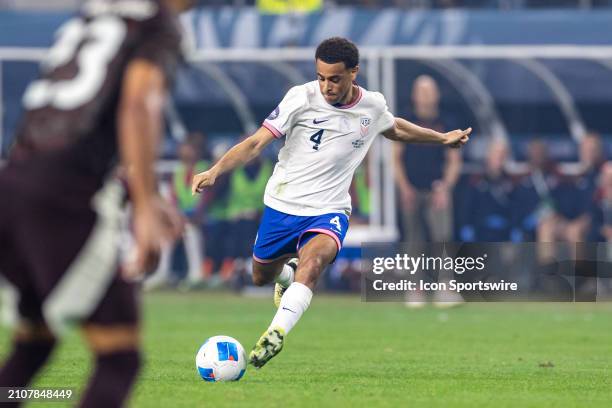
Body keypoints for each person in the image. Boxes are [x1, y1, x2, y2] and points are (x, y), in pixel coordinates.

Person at [192, 37, 471, 369]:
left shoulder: (372, 106)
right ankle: (285, 277)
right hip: (283, 204)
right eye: (321, 77)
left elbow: (394, 127)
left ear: (354, 72)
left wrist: (441, 138)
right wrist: (215, 170)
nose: (326, 86)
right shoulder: (300, 98)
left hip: (330, 210)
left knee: (313, 266)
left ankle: (276, 332)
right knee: (260, 276)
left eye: (335, 78)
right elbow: (255, 143)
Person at [0, 0, 193, 406]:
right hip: (61, 197)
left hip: (13, 182)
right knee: (119, 358)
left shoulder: (95, 13)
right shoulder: (160, 27)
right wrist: (143, 205)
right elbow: (139, 104)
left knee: (34, 343)